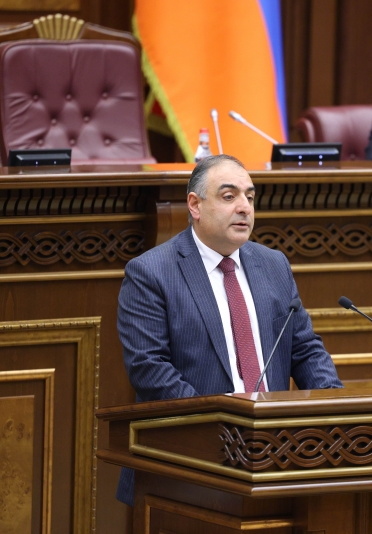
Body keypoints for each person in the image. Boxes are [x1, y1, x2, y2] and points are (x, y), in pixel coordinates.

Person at [115, 154, 343, 505]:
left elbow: (305, 349)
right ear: (195, 205)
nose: (244, 207)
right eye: (229, 196)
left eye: (250, 197)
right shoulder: (151, 273)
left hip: (273, 453)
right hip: (188, 461)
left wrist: (335, 409)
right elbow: (150, 368)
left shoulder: (273, 264)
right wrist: (219, 427)